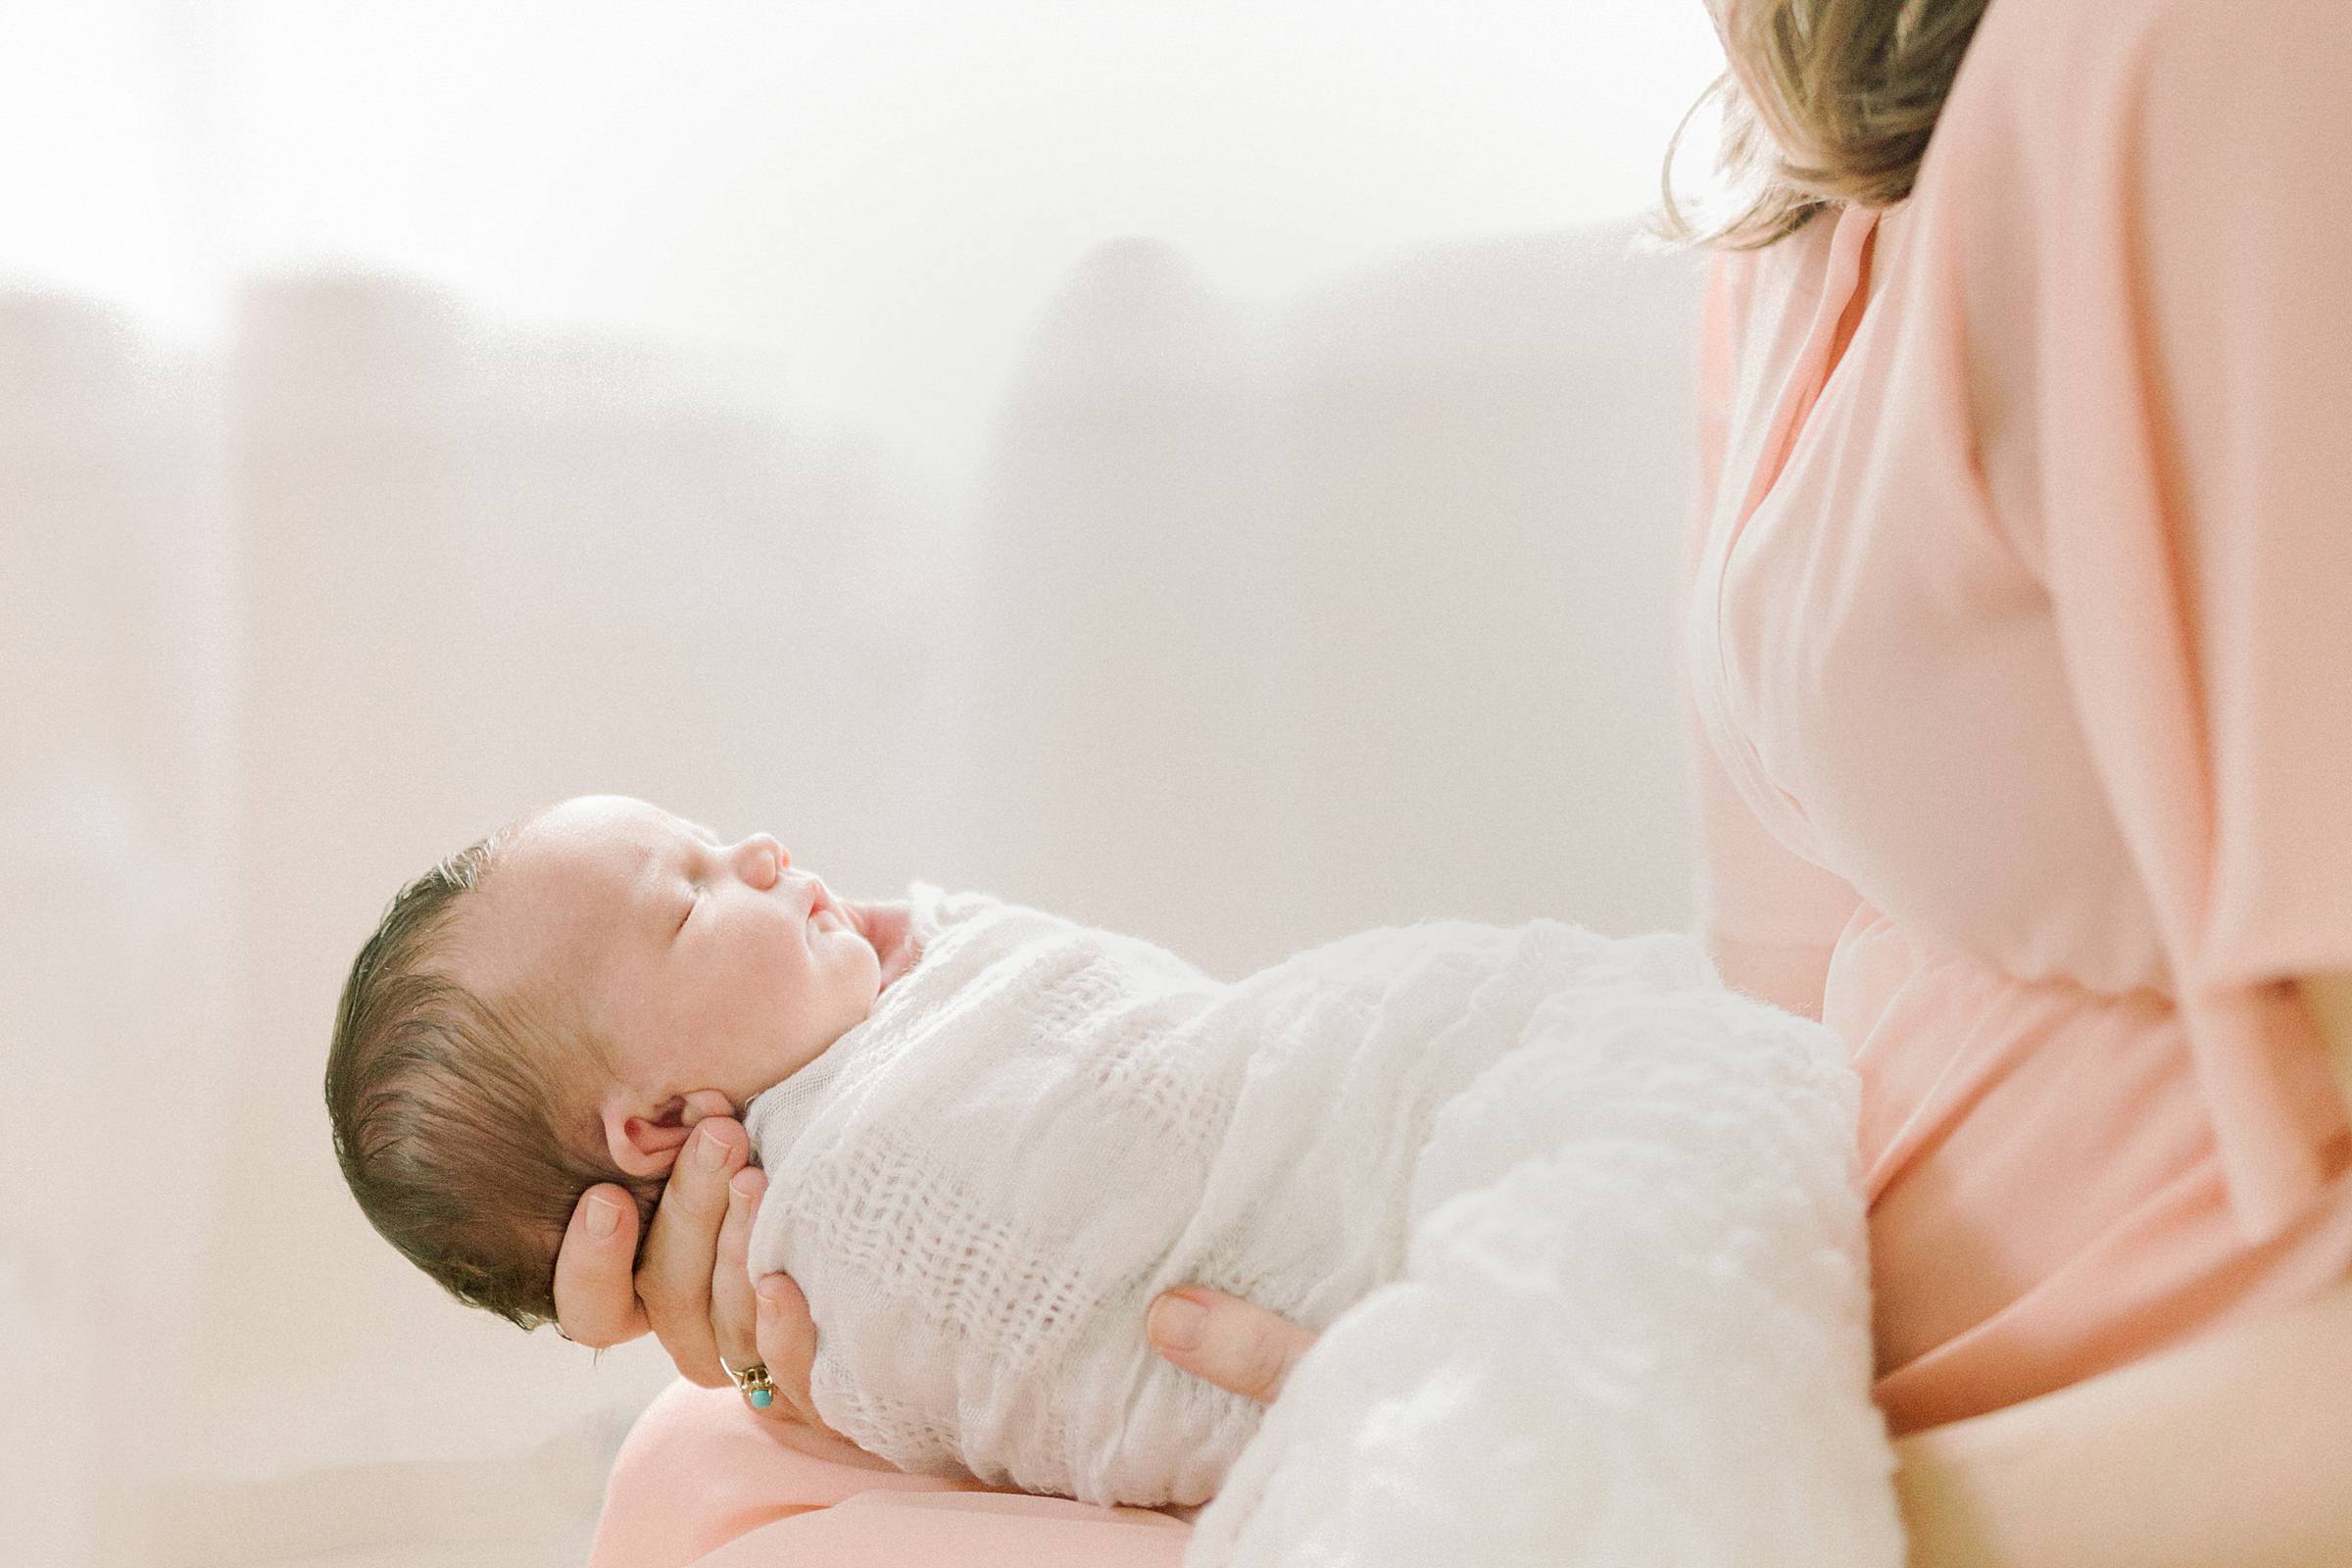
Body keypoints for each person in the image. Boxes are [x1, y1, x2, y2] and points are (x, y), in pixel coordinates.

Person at [555, 0, 2352, 1563]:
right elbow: (1764, 1026)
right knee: (724, 1466)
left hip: (2093, 1416)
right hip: (1759, 1322)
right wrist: (886, 1277)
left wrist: (1643, 1507)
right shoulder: (1792, 185)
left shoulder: (2196, 64)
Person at [330, 794, 1860, 1513]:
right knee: (689, 1458)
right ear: (656, 1126)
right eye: (691, 896)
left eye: (718, 832)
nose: (768, 854)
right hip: (1405, 1226)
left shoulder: (902, 1017)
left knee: (691, 1468)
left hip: (1405, 1093)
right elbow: (1050, 1325)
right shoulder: (861, 1214)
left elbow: (1157, 1055)